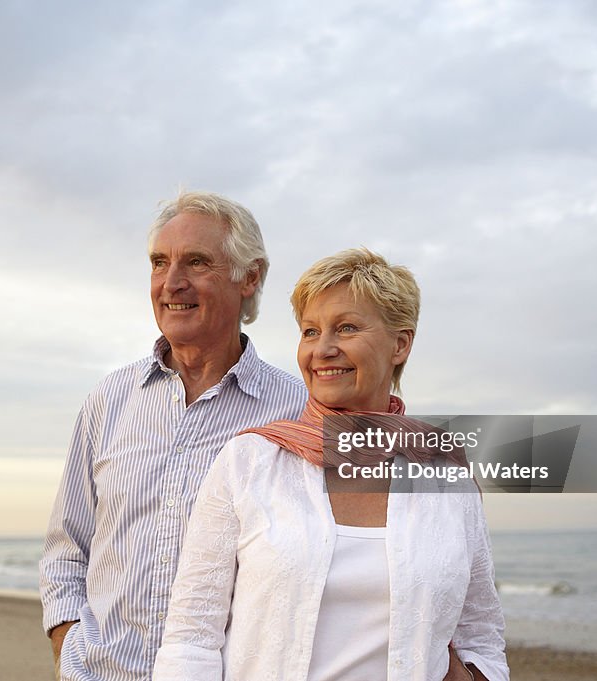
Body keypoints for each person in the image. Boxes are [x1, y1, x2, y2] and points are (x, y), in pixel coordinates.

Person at [153, 248, 509, 681]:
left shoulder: (444, 474)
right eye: (309, 331)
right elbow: (191, 639)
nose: (323, 349)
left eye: (346, 328)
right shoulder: (249, 462)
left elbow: (482, 635)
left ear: (400, 344)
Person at [40, 191, 307, 681]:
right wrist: (68, 646)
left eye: (197, 262)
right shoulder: (110, 398)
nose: (171, 283)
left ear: (250, 277)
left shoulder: (296, 411)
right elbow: (67, 545)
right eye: (159, 263)